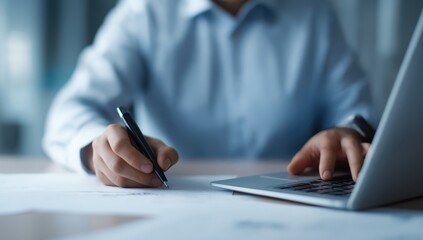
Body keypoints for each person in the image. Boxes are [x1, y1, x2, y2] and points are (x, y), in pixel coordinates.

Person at [43, 0, 374, 188]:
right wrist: (97, 150)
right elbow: (71, 110)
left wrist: (345, 135)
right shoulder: (143, 12)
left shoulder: (314, 14)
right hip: (172, 200)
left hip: (293, 201)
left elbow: (357, 113)